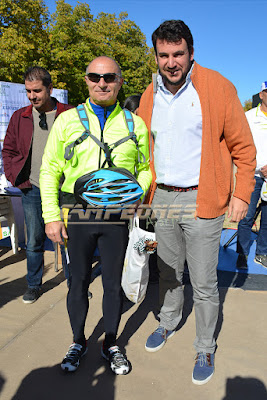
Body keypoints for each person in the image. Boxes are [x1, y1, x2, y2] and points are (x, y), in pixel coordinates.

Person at [138, 20, 256, 385]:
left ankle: (205, 344)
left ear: (191, 53)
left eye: (178, 54)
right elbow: (142, 149)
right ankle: (169, 321)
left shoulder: (218, 87)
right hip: (162, 199)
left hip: (202, 198)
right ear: (155, 56)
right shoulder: (148, 95)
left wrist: (241, 194)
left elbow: (244, 149)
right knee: (168, 272)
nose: (171, 62)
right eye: (163, 55)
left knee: (203, 282)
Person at [39, 56, 151, 375]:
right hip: (78, 217)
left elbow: (145, 170)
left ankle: (111, 343)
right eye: (95, 76)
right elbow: (49, 171)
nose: (102, 83)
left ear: (119, 81)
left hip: (117, 219)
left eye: (109, 77)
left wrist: (136, 195)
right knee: (78, 282)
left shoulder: (135, 124)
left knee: (113, 285)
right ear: (86, 80)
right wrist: (51, 216)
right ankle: (78, 341)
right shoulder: (67, 121)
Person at [2, 66, 72, 304]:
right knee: (33, 240)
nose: (32, 96)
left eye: (37, 91)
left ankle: (76, 284)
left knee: (69, 238)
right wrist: (15, 177)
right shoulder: (19, 117)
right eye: (28, 91)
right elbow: (8, 150)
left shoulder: (69, 114)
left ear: (50, 89)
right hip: (32, 188)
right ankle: (34, 285)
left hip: (65, 189)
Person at [236, 81, 267, 269]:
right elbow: (241, 146)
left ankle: (262, 253)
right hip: (252, 175)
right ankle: (242, 253)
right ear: (261, 94)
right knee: (246, 217)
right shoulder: (247, 117)